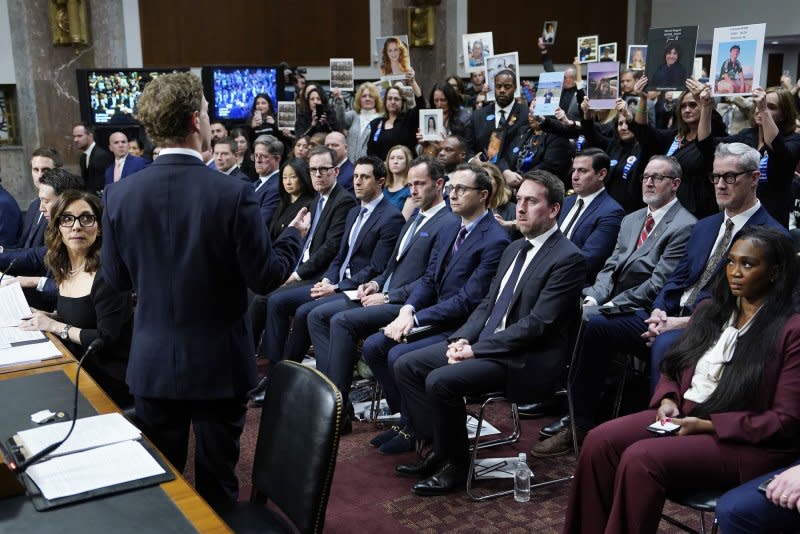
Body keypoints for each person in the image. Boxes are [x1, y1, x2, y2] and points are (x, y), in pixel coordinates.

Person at [100, 72, 309, 513]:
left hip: (153, 362)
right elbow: (265, 278)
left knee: (165, 490)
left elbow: (116, 282)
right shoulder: (234, 193)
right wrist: (293, 237)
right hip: (220, 363)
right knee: (218, 484)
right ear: (197, 120)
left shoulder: (119, 195)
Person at [564, 226, 800, 534]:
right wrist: (668, 399)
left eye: (748, 264)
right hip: (685, 416)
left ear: (774, 272)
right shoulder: (710, 310)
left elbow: (786, 420)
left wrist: (708, 425)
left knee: (641, 458)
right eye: (730, 262)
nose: (735, 273)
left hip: (736, 438)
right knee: (599, 442)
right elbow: (674, 365)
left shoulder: (790, 330)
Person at [393, 170, 586, 495]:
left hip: (527, 359)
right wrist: (463, 338)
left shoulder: (568, 258)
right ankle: (440, 450)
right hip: (489, 346)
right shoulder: (514, 249)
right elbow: (485, 305)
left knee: (441, 381)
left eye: (532, 201)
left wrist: (477, 350)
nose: (520, 208)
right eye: (519, 200)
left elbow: (537, 325)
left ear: (554, 209)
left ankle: (456, 465)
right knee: (406, 365)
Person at [533, 156, 697, 457]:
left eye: (657, 178)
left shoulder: (685, 226)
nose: (648, 182)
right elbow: (611, 267)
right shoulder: (632, 219)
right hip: (612, 301)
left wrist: (608, 305)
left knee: (593, 322)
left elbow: (657, 284)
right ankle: (553, 392)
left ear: (675, 185)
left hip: (645, 311)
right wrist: (595, 296)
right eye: (646, 176)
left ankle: (578, 421)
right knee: (563, 301)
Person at [361, 163, 510, 454]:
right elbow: (429, 278)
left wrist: (416, 317)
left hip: (463, 326)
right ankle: (410, 420)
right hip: (436, 315)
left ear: (483, 195)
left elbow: (469, 300)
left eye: (461, 189)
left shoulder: (496, 239)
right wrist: (408, 309)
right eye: (451, 188)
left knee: (398, 355)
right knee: (374, 346)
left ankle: (421, 432)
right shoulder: (451, 226)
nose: (453, 194)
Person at [306, 157, 456, 429]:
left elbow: (430, 279)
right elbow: (392, 265)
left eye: (420, 184)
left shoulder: (447, 223)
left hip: (408, 304)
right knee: (317, 316)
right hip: (383, 294)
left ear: (440, 184)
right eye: (410, 185)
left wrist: (389, 296)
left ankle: (337, 410)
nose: (413, 191)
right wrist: (376, 283)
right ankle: (336, 401)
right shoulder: (416, 217)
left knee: (340, 321)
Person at [19, 191, 134, 407]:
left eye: (86, 218)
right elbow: (79, 316)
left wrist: (54, 325)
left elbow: (105, 338)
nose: (76, 226)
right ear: (58, 228)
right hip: (77, 364)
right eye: (67, 218)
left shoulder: (108, 275)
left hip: (107, 377)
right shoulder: (65, 267)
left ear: (99, 228)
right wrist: (47, 316)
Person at [696, 81, 800, 227]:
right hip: (740, 215)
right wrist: (706, 108)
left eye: (771, 107)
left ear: (784, 115)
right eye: (759, 105)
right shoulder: (747, 135)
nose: (760, 109)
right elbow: (706, 145)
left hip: (770, 220)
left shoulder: (793, 140)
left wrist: (764, 111)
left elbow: (778, 151)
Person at [631, 75, 726, 218]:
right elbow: (643, 132)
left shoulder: (714, 137)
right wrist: (643, 99)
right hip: (665, 207)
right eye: (683, 106)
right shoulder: (674, 136)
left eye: (693, 105)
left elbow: (713, 129)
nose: (687, 110)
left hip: (697, 211)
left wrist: (705, 103)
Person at [557, 148, 625, 281]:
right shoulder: (565, 202)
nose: (574, 176)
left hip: (571, 282)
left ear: (601, 174)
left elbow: (588, 261)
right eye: (574, 170)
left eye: (582, 171)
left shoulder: (611, 212)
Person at [465, 69, 529, 163]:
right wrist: (472, 160)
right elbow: (467, 147)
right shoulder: (478, 116)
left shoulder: (526, 114)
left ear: (515, 88)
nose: (502, 90)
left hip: (514, 172)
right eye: (498, 86)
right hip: (482, 171)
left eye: (507, 87)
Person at [366, 83, 424, 161]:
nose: (393, 102)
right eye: (389, 98)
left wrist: (412, 81)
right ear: (385, 101)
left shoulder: (409, 119)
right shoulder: (375, 123)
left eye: (396, 99)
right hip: (381, 170)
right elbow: (370, 151)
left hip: (406, 169)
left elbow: (421, 104)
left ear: (402, 102)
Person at [334, 82, 384, 163]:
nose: (367, 99)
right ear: (359, 99)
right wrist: (339, 101)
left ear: (376, 99)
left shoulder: (381, 119)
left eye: (371, 96)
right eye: (364, 96)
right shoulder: (354, 115)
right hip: (350, 164)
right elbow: (340, 121)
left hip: (370, 165)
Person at [269, 158, 315, 241]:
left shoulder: (309, 204)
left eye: (293, 177)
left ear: (302, 177)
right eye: (284, 177)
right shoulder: (282, 202)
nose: (288, 182)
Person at [73, 122, 113, 194]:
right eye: (74, 136)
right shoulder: (83, 157)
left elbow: (104, 184)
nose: (75, 140)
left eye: (79, 136)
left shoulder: (101, 156)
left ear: (90, 136)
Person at [384, 145, 414, 217]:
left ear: (407, 162)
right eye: (392, 158)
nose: (395, 161)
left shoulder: (410, 189)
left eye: (400, 158)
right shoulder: (384, 187)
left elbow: (403, 221)